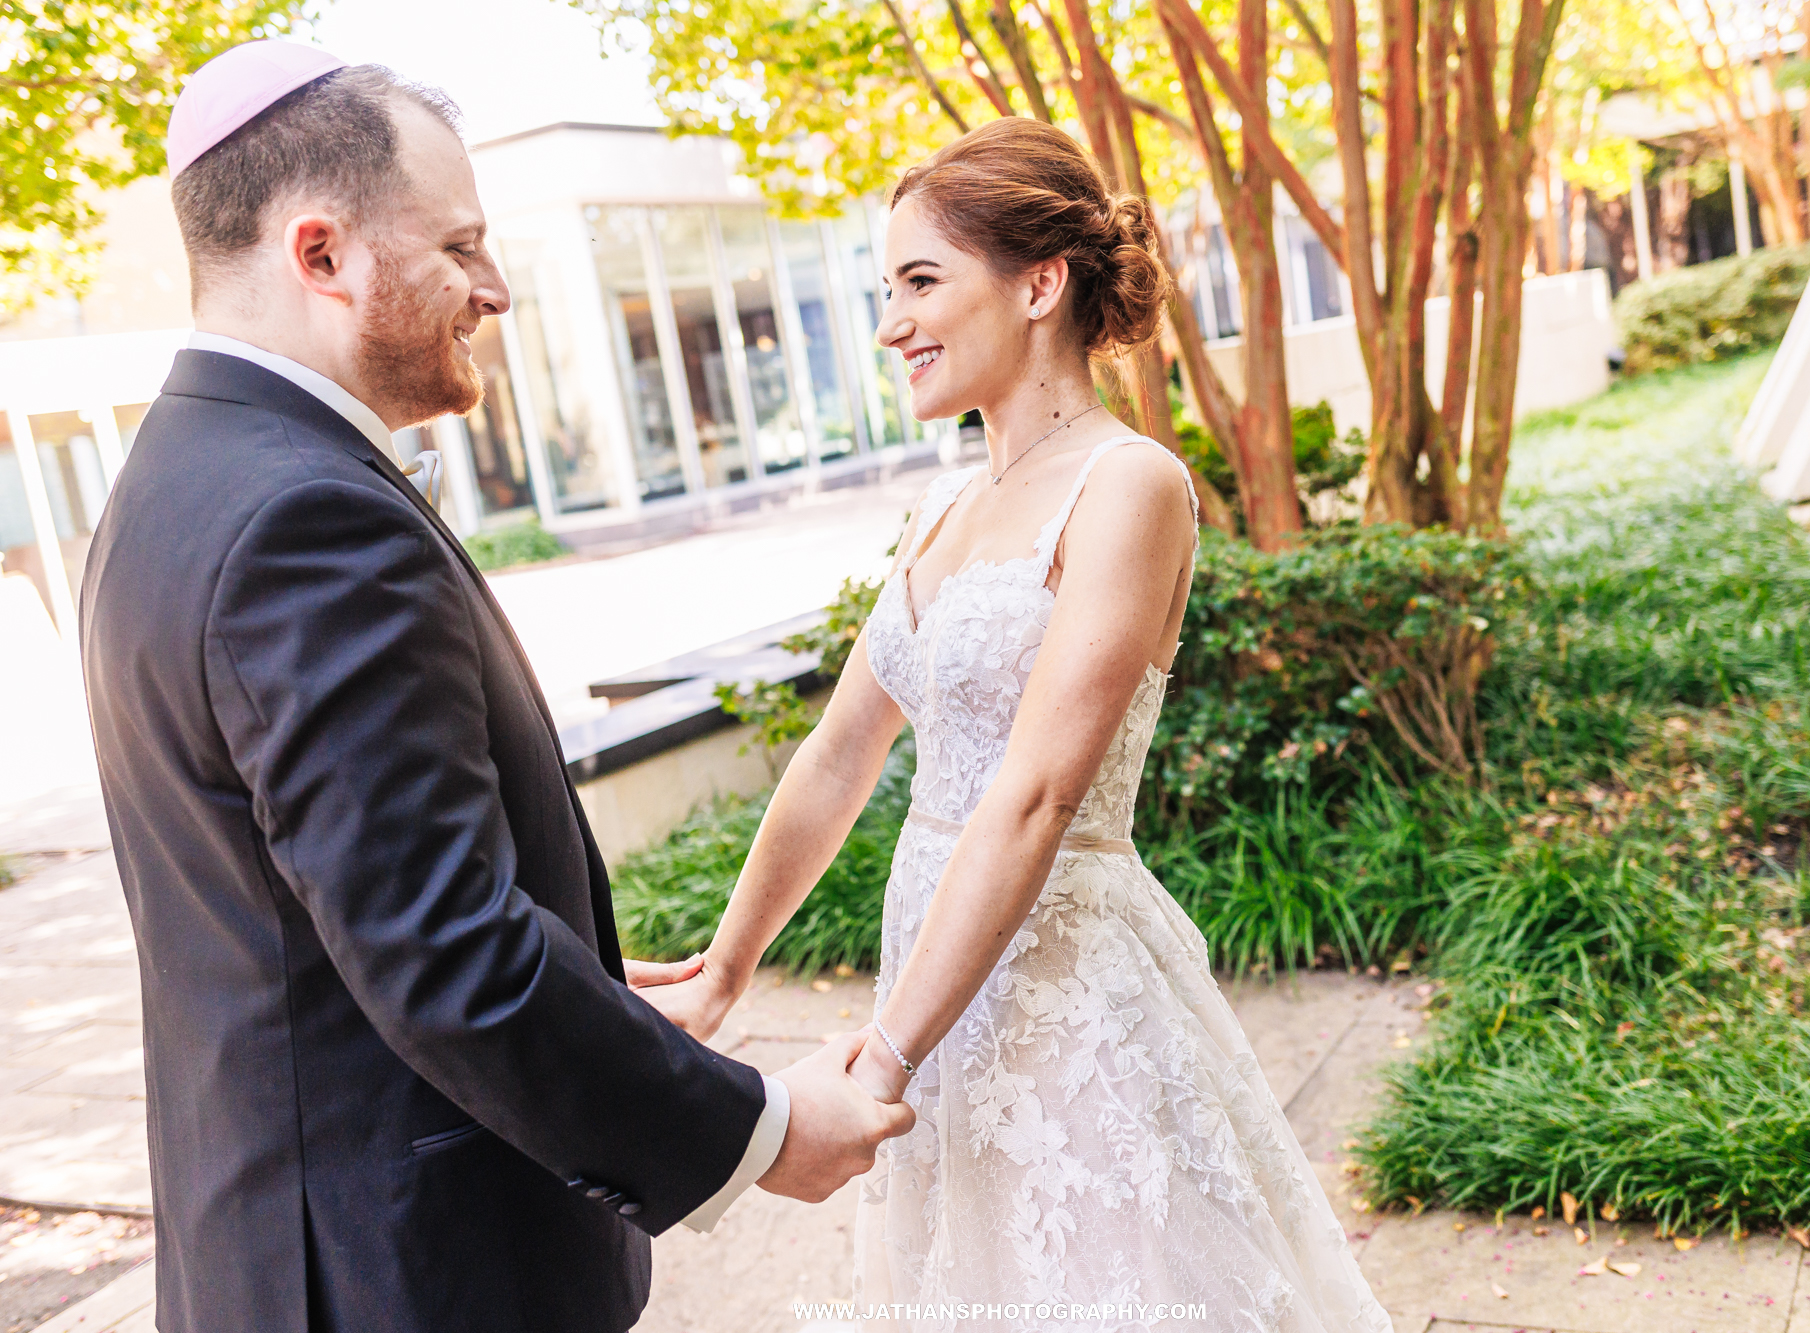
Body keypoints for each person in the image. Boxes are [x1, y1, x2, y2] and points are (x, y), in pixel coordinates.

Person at [78, 41, 911, 1333]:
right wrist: (760, 1128)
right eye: (460, 246)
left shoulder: (177, 480)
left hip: (291, 1250)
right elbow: (441, 946)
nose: (497, 288)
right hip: (404, 1277)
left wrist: (585, 989)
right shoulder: (305, 516)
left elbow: (312, 905)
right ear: (322, 255)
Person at [642, 118, 1392, 1330]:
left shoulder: (1128, 484)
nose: (891, 324)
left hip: (1064, 993)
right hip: (939, 989)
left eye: (922, 282)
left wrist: (882, 1056)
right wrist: (723, 970)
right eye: (887, 289)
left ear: (1039, 283)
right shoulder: (940, 508)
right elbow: (840, 756)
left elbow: (1035, 795)